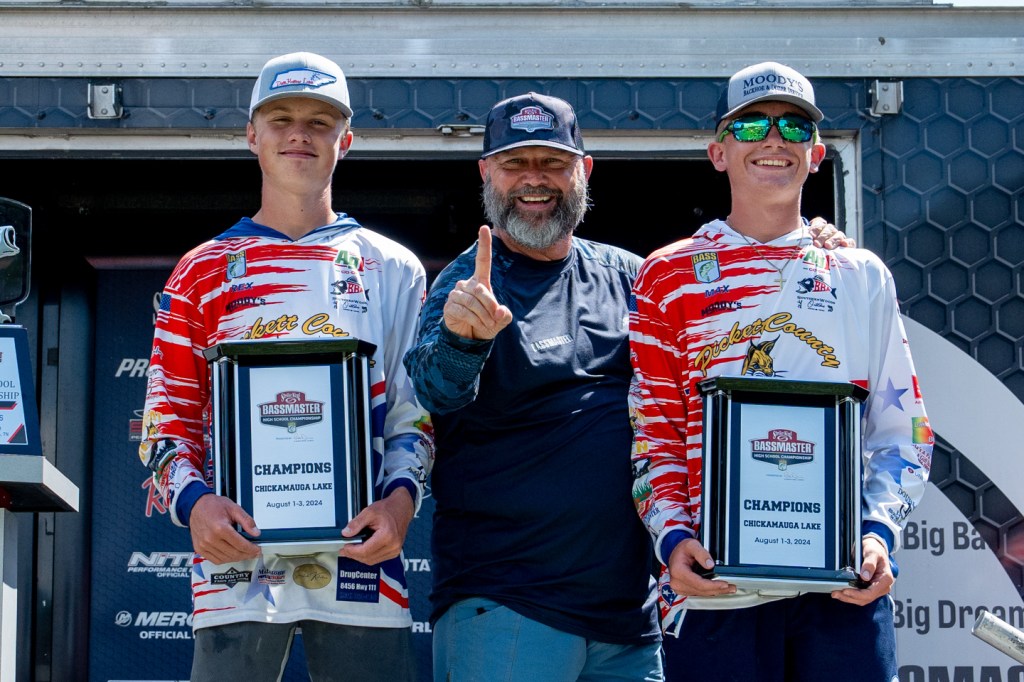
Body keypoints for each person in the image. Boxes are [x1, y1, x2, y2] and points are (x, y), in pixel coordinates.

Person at [403, 92, 849, 682]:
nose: (535, 179)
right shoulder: (468, 284)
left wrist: (805, 252)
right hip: (510, 606)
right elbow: (435, 392)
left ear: (584, 171)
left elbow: (730, 353)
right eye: (515, 164)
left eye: (553, 163)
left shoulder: (634, 276)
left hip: (630, 618)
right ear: (486, 172)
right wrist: (463, 339)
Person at [629, 62, 934, 682]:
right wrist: (672, 538)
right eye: (751, 125)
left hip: (840, 586)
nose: (773, 139)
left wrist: (877, 534)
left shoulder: (861, 275)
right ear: (719, 152)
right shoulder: (668, 275)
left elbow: (904, 431)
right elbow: (653, 433)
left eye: (794, 127)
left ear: (817, 154)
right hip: (716, 587)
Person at [138, 52, 433, 682]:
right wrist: (194, 503)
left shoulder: (393, 267)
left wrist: (401, 502)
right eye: (281, 119)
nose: (300, 134)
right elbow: (166, 419)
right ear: (252, 135)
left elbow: (413, 414)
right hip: (236, 565)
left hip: (362, 561)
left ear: (345, 140)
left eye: (320, 122)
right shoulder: (202, 270)